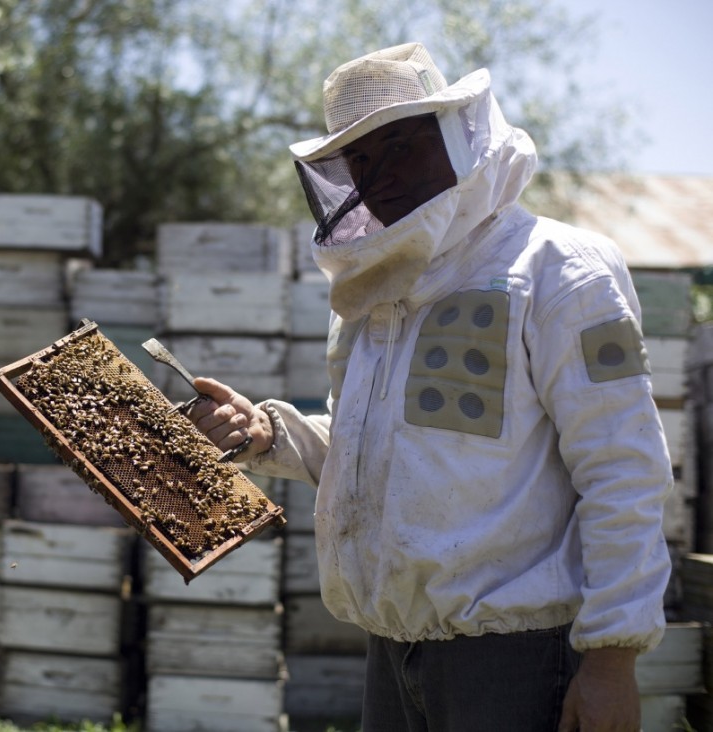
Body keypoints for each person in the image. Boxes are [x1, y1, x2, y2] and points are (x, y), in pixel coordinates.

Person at [188, 42, 671, 731]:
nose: (374, 178)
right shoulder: (374, 295)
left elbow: (625, 471)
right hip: (391, 649)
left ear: (459, 137)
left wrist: (612, 659)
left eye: (396, 148)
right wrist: (271, 433)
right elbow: (376, 455)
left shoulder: (563, 270)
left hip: (516, 658)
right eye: (356, 162)